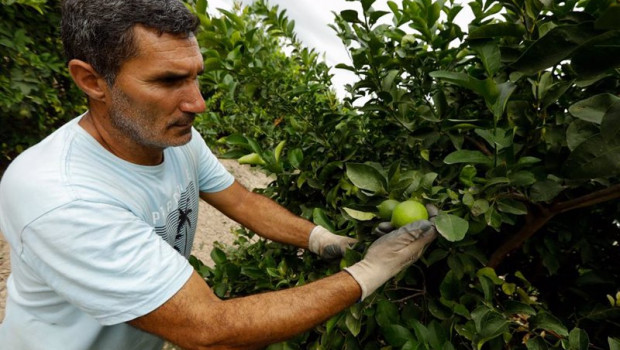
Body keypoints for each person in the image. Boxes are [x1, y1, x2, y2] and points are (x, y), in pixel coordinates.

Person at [0, 0, 438, 349]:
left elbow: (243, 202)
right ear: (92, 80)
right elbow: (209, 330)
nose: (198, 103)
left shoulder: (174, 138)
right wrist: (369, 271)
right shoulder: (61, 196)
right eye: (170, 80)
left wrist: (324, 240)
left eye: (195, 77)